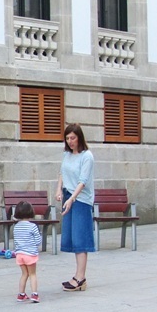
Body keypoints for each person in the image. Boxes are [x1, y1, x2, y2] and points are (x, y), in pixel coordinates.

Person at [56, 122, 95, 292]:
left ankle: (80, 278)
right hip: (68, 197)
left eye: (73, 138)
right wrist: (59, 190)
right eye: (67, 138)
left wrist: (72, 198)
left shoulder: (87, 156)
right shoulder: (67, 155)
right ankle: (77, 276)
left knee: (81, 239)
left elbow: (83, 181)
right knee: (72, 238)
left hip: (81, 200)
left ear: (79, 138)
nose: (70, 141)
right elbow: (62, 173)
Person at [13, 201, 42, 303]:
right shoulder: (33, 226)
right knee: (32, 274)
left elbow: (16, 240)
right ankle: (34, 294)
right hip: (30, 254)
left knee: (24, 274)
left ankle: (21, 294)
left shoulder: (16, 227)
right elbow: (38, 241)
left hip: (19, 254)